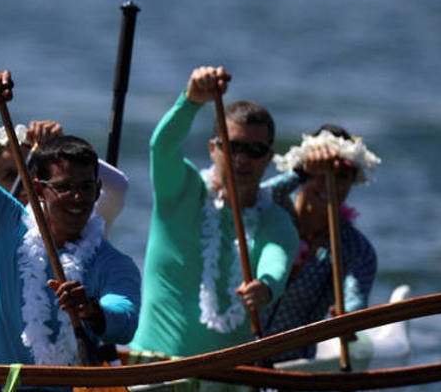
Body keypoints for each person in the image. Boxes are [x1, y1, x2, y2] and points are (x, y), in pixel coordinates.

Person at [0, 69, 140, 366]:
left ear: (98, 189)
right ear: (37, 189)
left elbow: (124, 319)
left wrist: (91, 309)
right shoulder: (0, 221)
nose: (77, 198)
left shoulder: (112, 263)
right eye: (64, 188)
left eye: (86, 187)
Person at [130, 65, 299, 358]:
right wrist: (191, 101)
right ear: (212, 149)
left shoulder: (276, 220)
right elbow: (163, 147)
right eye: (232, 147)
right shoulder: (181, 190)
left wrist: (266, 287)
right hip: (152, 365)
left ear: (269, 158)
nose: (242, 159)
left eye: (255, 151)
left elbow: (277, 258)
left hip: (229, 380)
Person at [0, 119, 129, 333]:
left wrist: (60, 148)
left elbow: (118, 187)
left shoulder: (78, 210)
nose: (24, 182)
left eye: (30, 171)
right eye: (11, 175)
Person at [260, 124, 381, 359]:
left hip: (289, 365)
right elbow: (254, 197)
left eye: (342, 176)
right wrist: (301, 172)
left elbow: (354, 301)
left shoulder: (356, 249)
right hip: (233, 349)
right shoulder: (272, 210)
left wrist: (348, 319)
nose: (330, 184)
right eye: (320, 171)